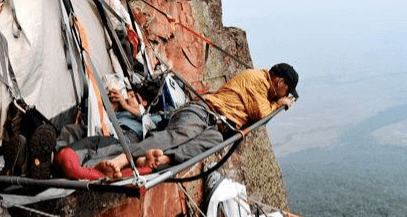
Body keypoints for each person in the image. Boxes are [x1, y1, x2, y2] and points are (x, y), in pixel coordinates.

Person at [91, 63, 299, 178]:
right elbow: (261, 113)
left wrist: (278, 101)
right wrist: (281, 104)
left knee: (210, 144)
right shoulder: (257, 79)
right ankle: (121, 159)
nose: (284, 94)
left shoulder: (265, 89)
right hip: (203, 111)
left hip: (217, 126)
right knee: (179, 136)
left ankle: (160, 160)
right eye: (286, 90)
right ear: (279, 82)